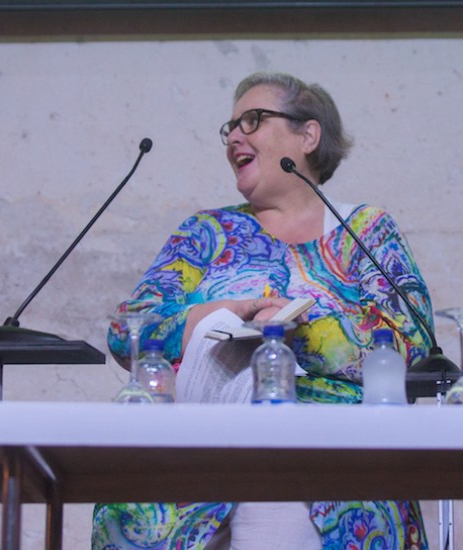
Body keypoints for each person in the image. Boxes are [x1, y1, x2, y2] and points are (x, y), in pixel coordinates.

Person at [92, 72, 431, 549]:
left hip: (330, 443)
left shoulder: (365, 230)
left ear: (308, 135)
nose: (233, 137)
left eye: (252, 120)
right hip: (202, 435)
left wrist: (300, 329)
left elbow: (409, 343)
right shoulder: (206, 232)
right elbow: (126, 331)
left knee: (278, 491)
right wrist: (227, 311)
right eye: (229, 127)